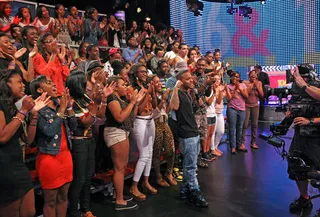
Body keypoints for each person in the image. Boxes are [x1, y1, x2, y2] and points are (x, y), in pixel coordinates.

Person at [0, 69, 49, 217]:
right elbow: (2, 136)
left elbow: (28, 140)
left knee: (29, 211)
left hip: (18, 166)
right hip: (5, 168)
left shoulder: (13, 107)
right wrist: (23, 111)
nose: (23, 85)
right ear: (6, 84)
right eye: (19, 82)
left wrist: (33, 115)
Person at [30, 76, 76, 217]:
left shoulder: (58, 104)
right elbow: (49, 132)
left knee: (63, 197)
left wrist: (68, 108)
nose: (54, 85)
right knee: (50, 201)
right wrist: (62, 110)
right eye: (49, 83)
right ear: (39, 89)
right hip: (49, 159)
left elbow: (73, 126)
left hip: (66, 155)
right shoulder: (38, 110)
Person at [282, 64, 320, 217]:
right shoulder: (296, 89)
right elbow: (294, 108)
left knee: (318, 173)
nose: (298, 79)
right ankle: (304, 198)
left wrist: (310, 121)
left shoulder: (315, 86)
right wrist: (288, 117)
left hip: (317, 138)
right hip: (300, 136)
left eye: (301, 76)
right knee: (297, 166)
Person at [104, 76, 144, 210]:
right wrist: (132, 103)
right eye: (123, 85)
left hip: (122, 132)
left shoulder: (121, 99)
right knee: (119, 168)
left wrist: (135, 103)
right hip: (116, 133)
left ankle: (117, 194)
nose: (126, 87)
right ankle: (120, 201)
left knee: (122, 166)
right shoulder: (112, 98)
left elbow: (131, 117)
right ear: (114, 86)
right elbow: (120, 117)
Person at [170, 69, 209, 207]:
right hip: (187, 134)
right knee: (190, 166)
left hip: (193, 132)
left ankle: (184, 190)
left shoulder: (188, 93)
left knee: (189, 165)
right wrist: (175, 87)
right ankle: (195, 191)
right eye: (188, 79)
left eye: (191, 78)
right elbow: (173, 106)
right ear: (180, 81)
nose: (192, 80)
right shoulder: (178, 93)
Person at [151, 75, 177, 188]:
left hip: (164, 123)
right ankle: (158, 177)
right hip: (155, 125)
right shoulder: (150, 97)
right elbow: (155, 112)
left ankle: (169, 173)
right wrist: (163, 99)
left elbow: (165, 111)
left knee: (171, 150)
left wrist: (169, 101)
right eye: (156, 82)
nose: (159, 84)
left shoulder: (162, 95)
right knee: (156, 152)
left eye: (159, 82)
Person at [226, 71, 248, 154]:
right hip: (232, 108)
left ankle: (239, 145)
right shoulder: (228, 86)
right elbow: (229, 98)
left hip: (242, 109)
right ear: (231, 78)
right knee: (232, 128)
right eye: (234, 76)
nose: (235, 78)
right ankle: (233, 147)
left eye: (237, 77)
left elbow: (246, 96)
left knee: (240, 127)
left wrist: (239, 88)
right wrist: (235, 88)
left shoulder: (243, 85)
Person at [241, 70, 264, 149]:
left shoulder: (259, 83)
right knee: (245, 124)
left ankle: (253, 142)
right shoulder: (245, 83)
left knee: (255, 124)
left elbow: (261, 95)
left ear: (257, 76)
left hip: (255, 106)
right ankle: (242, 143)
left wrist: (257, 86)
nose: (253, 75)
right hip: (246, 105)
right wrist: (252, 85)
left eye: (255, 74)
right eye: (252, 74)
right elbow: (246, 95)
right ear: (249, 75)